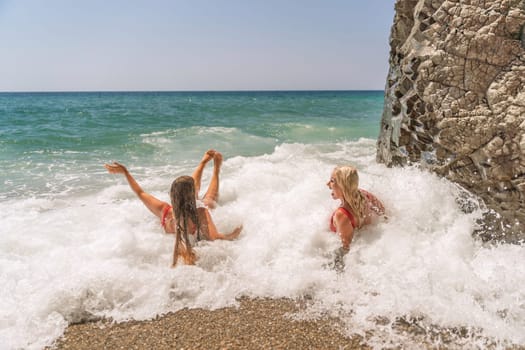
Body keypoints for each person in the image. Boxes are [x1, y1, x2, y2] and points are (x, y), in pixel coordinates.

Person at [104, 149, 242, 267]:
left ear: (172, 195)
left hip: (183, 202)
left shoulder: (164, 210)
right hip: (194, 205)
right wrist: (233, 235)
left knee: (188, 186)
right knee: (209, 199)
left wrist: (126, 172)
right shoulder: (200, 212)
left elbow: (140, 193)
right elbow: (215, 238)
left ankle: (203, 163)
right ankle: (215, 169)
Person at [327, 165, 385, 253]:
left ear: (343, 186)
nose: (328, 184)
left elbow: (346, 249)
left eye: (332, 181)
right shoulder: (364, 195)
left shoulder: (342, 214)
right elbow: (383, 213)